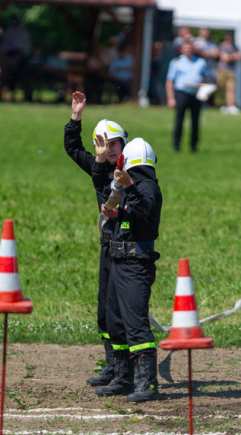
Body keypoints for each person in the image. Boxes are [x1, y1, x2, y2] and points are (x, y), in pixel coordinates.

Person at [64, 91, 130, 392]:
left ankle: (126, 370)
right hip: (106, 247)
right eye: (102, 144)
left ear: (123, 144)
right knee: (104, 310)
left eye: (113, 143)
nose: (108, 149)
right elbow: (72, 147)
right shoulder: (99, 165)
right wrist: (76, 116)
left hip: (125, 249)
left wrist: (103, 162)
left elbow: (107, 189)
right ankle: (112, 364)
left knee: (119, 311)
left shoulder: (131, 171)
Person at [97, 137, 162, 402]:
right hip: (119, 262)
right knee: (116, 322)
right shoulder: (130, 187)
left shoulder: (147, 186)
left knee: (136, 323)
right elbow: (130, 216)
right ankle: (123, 377)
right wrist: (115, 215)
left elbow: (145, 208)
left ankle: (146, 381)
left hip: (136, 265)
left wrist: (130, 186)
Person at [165, 42, 212, 152]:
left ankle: (194, 146)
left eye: (190, 48)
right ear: (182, 50)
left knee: (195, 121)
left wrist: (204, 83)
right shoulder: (176, 62)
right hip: (182, 93)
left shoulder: (201, 62)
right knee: (179, 120)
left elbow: (207, 78)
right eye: (185, 48)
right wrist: (171, 98)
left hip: (196, 94)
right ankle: (176, 146)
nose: (188, 50)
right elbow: (170, 80)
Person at [217, 33, 241, 114]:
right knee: (221, 88)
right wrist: (233, 56)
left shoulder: (235, 46)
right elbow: (224, 58)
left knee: (230, 88)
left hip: (231, 70)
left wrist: (230, 56)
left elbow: (240, 56)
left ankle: (231, 106)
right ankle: (223, 105)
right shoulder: (222, 45)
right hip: (222, 70)